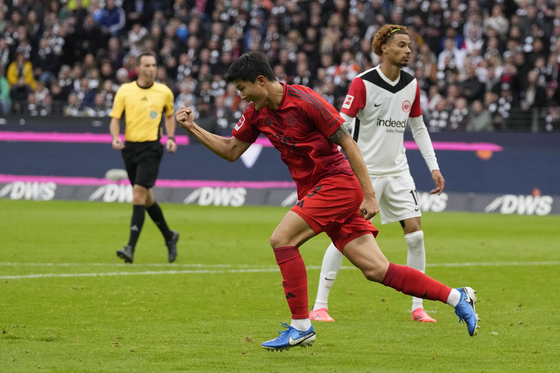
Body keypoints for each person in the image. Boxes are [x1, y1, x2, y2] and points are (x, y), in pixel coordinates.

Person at [175, 51, 480, 351]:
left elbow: (349, 144)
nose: (242, 97)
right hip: (316, 191)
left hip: (337, 184)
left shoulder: (306, 101)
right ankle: (457, 297)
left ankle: (301, 327)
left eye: (243, 89)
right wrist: (193, 128)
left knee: (282, 240)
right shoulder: (258, 113)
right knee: (377, 269)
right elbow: (231, 150)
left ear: (261, 81)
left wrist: (370, 195)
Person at [309, 25, 447, 325]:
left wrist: (433, 167)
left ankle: (417, 306)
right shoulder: (363, 83)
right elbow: (339, 124)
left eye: (409, 45)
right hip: (365, 173)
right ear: (384, 48)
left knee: (416, 235)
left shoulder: (411, 84)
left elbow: (419, 128)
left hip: (399, 171)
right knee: (345, 236)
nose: (409, 50)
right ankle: (319, 305)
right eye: (401, 45)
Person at [110, 51, 179, 264]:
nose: (151, 69)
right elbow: (115, 119)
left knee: (138, 194)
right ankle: (169, 236)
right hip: (130, 148)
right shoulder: (124, 91)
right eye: (147, 65)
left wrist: (170, 137)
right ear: (138, 68)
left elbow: (169, 116)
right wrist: (115, 137)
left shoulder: (164, 92)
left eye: (154, 65)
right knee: (147, 198)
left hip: (151, 148)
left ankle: (130, 247)